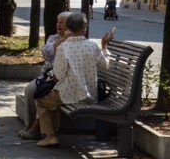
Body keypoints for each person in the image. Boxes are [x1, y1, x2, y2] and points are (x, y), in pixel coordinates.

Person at [32, 10, 115, 147]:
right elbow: (105, 65)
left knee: (42, 101)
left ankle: (50, 136)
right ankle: (50, 136)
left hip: (70, 94)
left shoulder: (63, 47)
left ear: (69, 28)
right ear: (84, 28)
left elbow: (59, 75)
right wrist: (104, 46)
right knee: (52, 102)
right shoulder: (92, 45)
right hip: (91, 94)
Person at [18, 11, 71, 139]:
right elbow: (46, 53)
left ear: (70, 25)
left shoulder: (75, 42)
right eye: (58, 22)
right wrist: (62, 40)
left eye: (62, 23)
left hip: (61, 82)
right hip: (46, 78)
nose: (59, 25)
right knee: (30, 89)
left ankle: (36, 129)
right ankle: (30, 124)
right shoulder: (53, 38)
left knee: (43, 95)